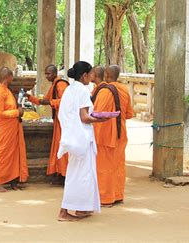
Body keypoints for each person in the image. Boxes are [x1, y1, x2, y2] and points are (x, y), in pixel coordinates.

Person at [57, 61, 107, 222]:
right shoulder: (83, 91)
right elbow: (84, 117)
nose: (93, 77)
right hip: (82, 139)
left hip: (73, 138)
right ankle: (64, 211)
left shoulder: (69, 90)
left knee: (81, 174)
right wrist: (102, 119)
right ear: (84, 75)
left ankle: (81, 208)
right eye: (91, 73)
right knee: (79, 175)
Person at [92, 65, 134, 207]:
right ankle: (118, 195)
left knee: (104, 166)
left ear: (107, 76)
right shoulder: (124, 90)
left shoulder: (105, 91)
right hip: (120, 134)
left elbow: (97, 113)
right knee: (118, 165)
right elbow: (129, 114)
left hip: (105, 134)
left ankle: (106, 198)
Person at [27, 65, 69, 184]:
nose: (46, 76)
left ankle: (66, 175)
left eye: (48, 74)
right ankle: (60, 174)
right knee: (58, 148)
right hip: (58, 121)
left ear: (55, 73)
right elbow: (44, 100)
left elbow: (65, 101)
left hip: (64, 122)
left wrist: (51, 102)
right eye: (45, 74)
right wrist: (30, 98)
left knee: (64, 148)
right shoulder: (54, 85)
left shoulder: (61, 85)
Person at [0, 67, 29, 192]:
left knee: (13, 154)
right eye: (12, 77)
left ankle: (13, 180)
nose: (12, 79)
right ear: (8, 77)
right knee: (3, 154)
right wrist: (17, 112)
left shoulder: (7, 91)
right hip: (4, 128)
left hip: (13, 128)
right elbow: (0, 113)